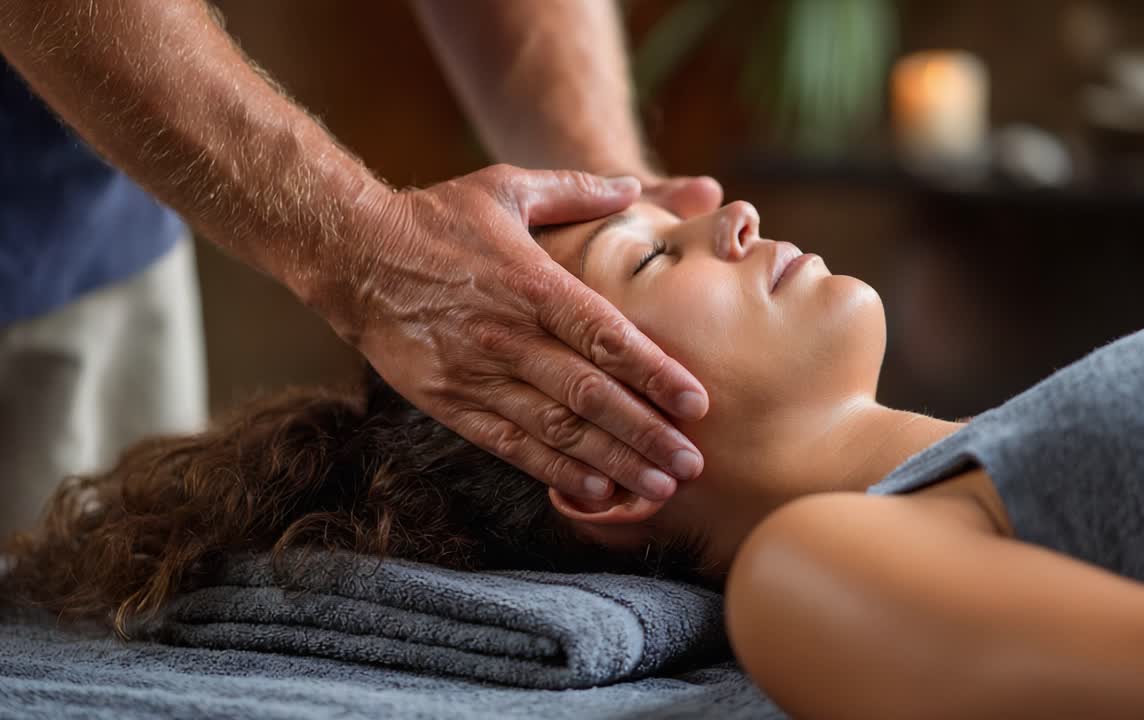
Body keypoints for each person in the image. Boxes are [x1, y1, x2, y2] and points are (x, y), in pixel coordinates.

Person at [6, 199, 1144, 718]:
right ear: (600, 469)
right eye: (654, 253)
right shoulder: (814, 572)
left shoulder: (1042, 425)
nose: (733, 213)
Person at [0, 0, 720, 537]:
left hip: (76, 224)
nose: (733, 213)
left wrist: (605, 186)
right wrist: (365, 245)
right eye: (653, 256)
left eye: (658, 250)